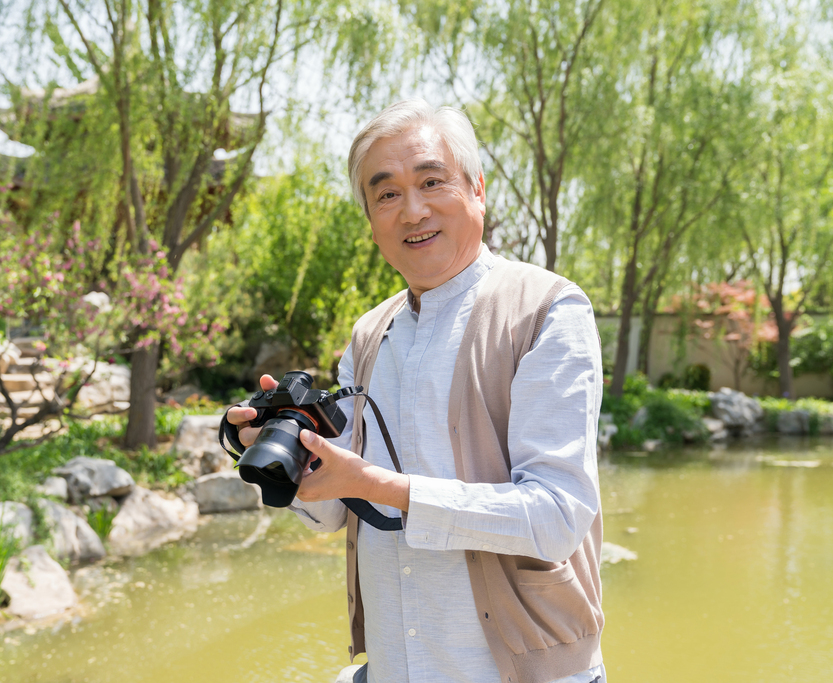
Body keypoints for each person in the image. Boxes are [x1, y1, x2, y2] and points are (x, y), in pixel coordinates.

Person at [228, 100, 605, 683]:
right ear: (371, 220)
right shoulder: (369, 334)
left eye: (432, 181)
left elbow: (557, 516)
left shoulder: (547, 310)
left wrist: (387, 488)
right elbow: (332, 511)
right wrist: (287, 451)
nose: (413, 210)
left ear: (477, 190)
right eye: (386, 194)